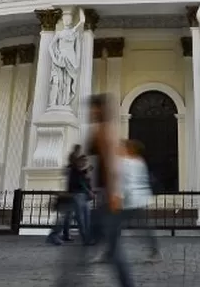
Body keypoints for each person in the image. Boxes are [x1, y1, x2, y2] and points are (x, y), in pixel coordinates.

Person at [56, 94, 133, 287]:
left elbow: (111, 165)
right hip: (106, 197)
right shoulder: (102, 131)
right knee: (103, 245)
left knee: (98, 244)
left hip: (107, 199)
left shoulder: (104, 133)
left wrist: (112, 195)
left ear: (99, 110)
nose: (89, 113)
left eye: (93, 109)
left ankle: (66, 281)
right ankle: (67, 280)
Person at [120, 139, 161, 261]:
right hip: (136, 199)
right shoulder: (138, 161)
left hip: (131, 200)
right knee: (145, 227)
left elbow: (127, 182)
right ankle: (155, 251)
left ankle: (155, 251)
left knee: (144, 227)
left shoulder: (129, 162)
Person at [47, 145, 91, 245]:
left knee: (69, 216)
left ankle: (58, 235)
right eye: (81, 160)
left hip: (74, 195)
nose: (83, 163)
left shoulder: (75, 170)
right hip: (74, 195)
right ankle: (83, 237)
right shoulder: (74, 170)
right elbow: (79, 182)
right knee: (76, 217)